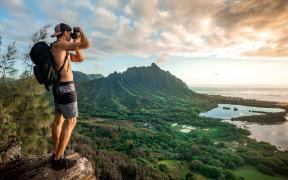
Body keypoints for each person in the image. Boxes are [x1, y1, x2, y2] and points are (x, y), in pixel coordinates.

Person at [50, 23, 90, 169]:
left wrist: (74, 42)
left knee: (59, 120)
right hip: (66, 88)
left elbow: (80, 59)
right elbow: (86, 44)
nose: (71, 34)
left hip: (58, 88)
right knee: (71, 121)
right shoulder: (61, 44)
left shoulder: (57, 47)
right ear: (66, 32)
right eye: (70, 33)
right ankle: (58, 159)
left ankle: (55, 151)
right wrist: (80, 33)